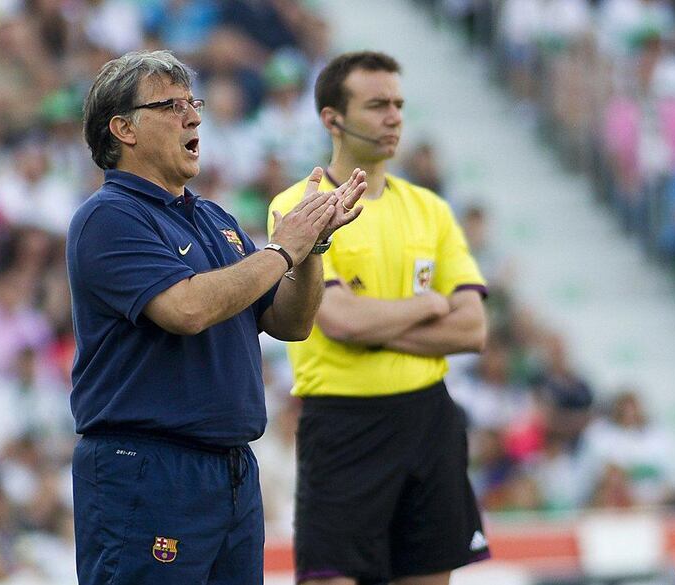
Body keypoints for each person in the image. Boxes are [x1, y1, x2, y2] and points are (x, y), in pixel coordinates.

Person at [66, 50, 366, 585]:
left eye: (193, 103)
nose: (194, 117)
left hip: (229, 469)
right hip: (148, 468)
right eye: (171, 105)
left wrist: (313, 246)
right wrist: (281, 252)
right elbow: (187, 308)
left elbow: (290, 322)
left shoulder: (213, 218)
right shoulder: (108, 217)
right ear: (123, 129)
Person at [269, 51, 490, 585]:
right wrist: (427, 305)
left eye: (398, 104)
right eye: (377, 105)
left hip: (428, 420)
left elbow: (473, 330)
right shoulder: (301, 204)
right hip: (344, 425)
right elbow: (340, 321)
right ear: (332, 119)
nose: (394, 117)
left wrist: (376, 329)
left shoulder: (431, 208)